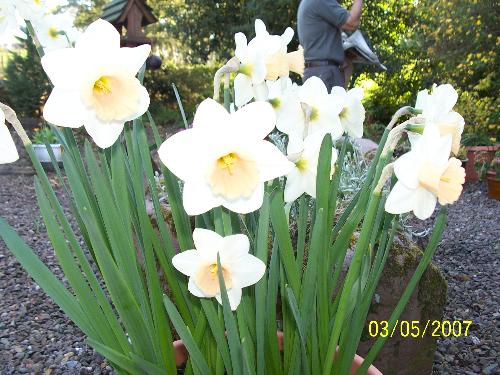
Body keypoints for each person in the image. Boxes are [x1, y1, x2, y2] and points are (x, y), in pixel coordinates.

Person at [298, 0, 363, 89]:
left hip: (319, 72)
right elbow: (352, 23)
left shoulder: (308, 2)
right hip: (325, 73)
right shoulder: (320, 1)